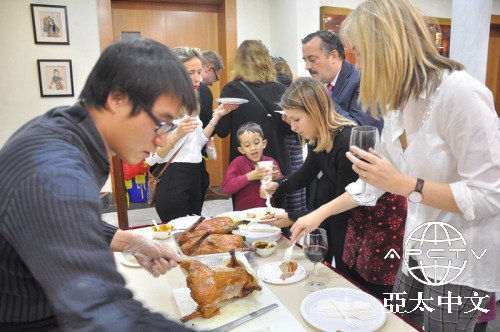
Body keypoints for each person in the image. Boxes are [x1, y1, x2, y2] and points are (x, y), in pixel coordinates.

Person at [292, 1, 500, 330]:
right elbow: (373, 182)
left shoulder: (460, 94)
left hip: (460, 255)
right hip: (416, 245)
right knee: (395, 323)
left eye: (360, 53)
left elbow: (489, 196)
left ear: (388, 46)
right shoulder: (398, 102)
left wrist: (406, 184)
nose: (358, 66)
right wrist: (316, 215)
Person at [0, 39, 196, 330]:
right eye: (161, 122)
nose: (162, 140)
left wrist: (133, 242)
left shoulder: (64, 128)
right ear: (117, 98)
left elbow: (59, 221)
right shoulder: (55, 175)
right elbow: (103, 314)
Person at [261, 78, 407, 290]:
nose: (293, 127)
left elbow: (341, 205)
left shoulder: (345, 142)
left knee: (369, 285)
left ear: (315, 111)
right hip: (350, 214)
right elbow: (304, 175)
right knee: (348, 273)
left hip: (376, 220)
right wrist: (277, 185)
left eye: (296, 120)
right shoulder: (319, 138)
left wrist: (294, 217)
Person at [147, 46, 236, 222]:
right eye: (190, 73)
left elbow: (197, 142)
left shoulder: (191, 101)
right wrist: (177, 134)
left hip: (194, 175)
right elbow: (153, 156)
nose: (197, 78)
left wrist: (216, 117)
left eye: (198, 72)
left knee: (192, 232)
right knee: (178, 235)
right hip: (174, 177)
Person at [215, 40, 293, 193]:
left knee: (244, 213)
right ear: (266, 61)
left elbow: (222, 131)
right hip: (275, 162)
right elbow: (289, 131)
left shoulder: (231, 90)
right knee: (274, 212)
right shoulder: (281, 89)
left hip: (244, 164)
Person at [272, 57, 307, 214]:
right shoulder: (292, 88)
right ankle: (295, 213)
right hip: (296, 142)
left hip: (281, 141)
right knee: (296, 176)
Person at [221, 122, 282, 211]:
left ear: (264, 143)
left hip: (267, 212)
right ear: (241, 150)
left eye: (256, 142)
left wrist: (277, 179)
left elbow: (282, 186)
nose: (253, 148)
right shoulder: (238, 163)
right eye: (247, 145)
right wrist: (249, 176)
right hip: (244, 215)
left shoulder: (271, 162)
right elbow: (226, 188)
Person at [199, 50, 224, 201]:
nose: (215, 82)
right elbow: (206, 129)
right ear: (209, 69)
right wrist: (217, 116)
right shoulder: (204, 92)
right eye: (216, 76)